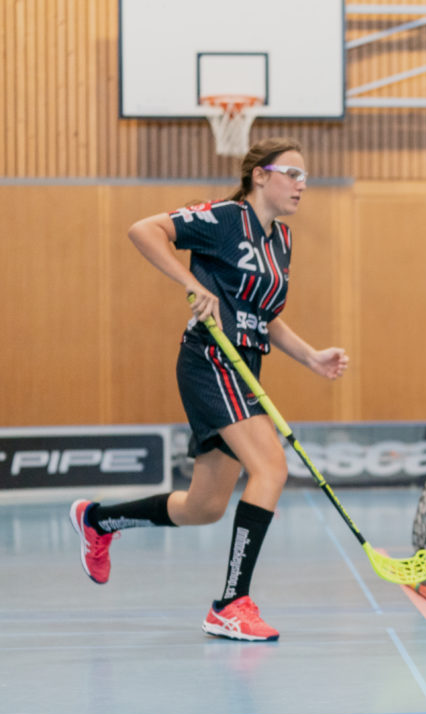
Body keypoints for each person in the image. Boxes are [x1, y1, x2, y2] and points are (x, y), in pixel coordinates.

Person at [68, 137, 349, 641]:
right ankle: (231, 604)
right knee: (271, 468)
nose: (301, 185)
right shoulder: (223, 218)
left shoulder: (281, 240)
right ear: (260, 175)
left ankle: (98, 520)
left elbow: (264, 315)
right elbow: (144, 230)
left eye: (305, 177)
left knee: (204, 507)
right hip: (210, 361)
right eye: (292, 174)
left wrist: (310, 356)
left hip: (246, 368)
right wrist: (192, 283)